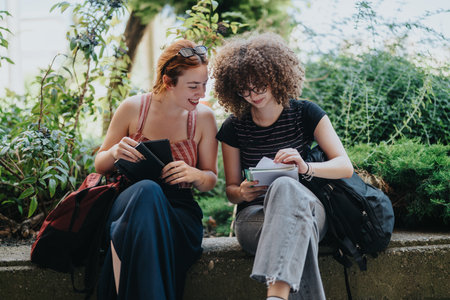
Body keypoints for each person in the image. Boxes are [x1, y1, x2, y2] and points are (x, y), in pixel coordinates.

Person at [213, 33, 354, 300]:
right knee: (298, 228)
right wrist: (241, 192)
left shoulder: (306, 112)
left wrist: (305, 168)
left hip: (308, 208)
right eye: (244, 89)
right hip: (257, 219)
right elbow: (230, 190)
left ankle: (276, 294)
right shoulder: (234, 126)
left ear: (276, 77)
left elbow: (344, 166)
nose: (252, 95)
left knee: (286, 186)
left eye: (259, 87)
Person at [94, 39, 218, 300]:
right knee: (148, 191)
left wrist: (195, 175)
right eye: (194, 86)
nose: (202, 93)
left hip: (179, 211)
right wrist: (116, 152)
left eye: (205, 85)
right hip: (130, 202)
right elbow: (99, 164)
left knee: (140, 219)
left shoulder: (204, 119)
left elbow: (210, 179)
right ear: (168, 81)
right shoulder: (132, 108)